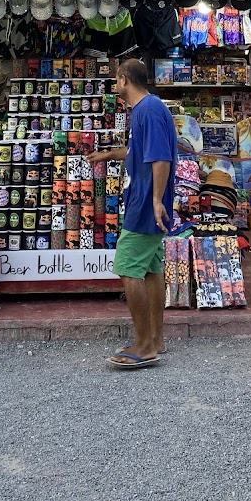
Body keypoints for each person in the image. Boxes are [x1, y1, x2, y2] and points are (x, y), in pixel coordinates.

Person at [89, 58, 176, 370]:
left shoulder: (149, 110)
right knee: (151, 270)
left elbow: (161, 158)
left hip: (144, 202)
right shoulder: (145, 110)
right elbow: (141, 151)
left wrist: (156, 200)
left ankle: (143, 345)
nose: (115, 84)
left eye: (116, 79)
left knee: (127, 267)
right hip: (142, 198)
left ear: (124, 79)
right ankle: (155, 338)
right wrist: (109, 153)